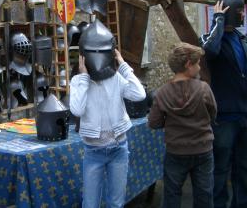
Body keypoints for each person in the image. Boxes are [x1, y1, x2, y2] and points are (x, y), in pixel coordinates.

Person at [70, 19, 145, 208]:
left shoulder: (116, 78)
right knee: (90, 204)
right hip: (93, 151)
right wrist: (84, 78)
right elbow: (77, 110)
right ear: (83, 55)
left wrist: (123, 65)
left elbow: (139, 94)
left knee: (116, 203)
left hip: (118, 148)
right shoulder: (79, 82)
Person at [148, 42, 217, 208]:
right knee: (204, 195)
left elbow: (154, 123)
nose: (199, 67)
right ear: (188, 65)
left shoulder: (162, 93)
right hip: (202, 149)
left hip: (176, 151)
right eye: (197, 63)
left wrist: (171, 120)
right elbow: (213, 114)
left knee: (171, 194)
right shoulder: (204, 89)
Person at [200, 0, 247, 208]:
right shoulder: (208, 39)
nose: (242, 15)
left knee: (243, 167)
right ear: (227, 12)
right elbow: (210, 51)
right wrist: (218, 20)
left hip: (244, 115)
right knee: (220, 168)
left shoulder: (241, 38)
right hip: (225, 118)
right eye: (239, 11)